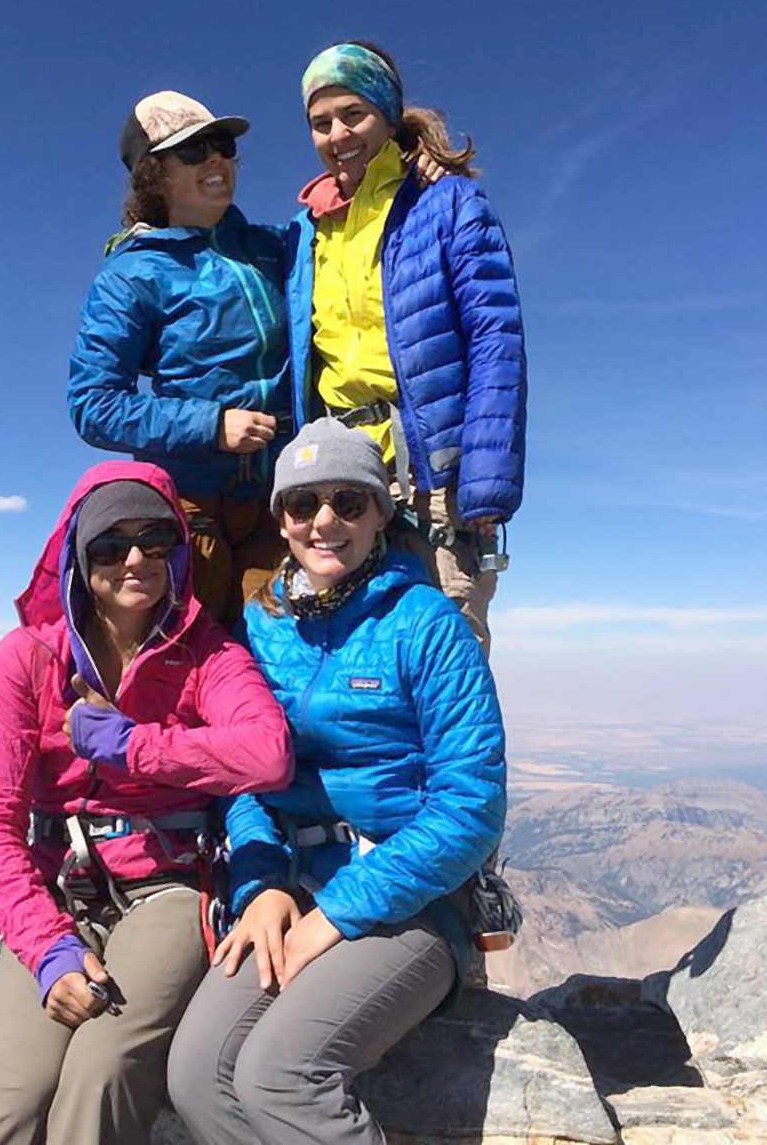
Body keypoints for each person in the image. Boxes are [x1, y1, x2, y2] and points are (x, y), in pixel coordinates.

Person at [167, 418, 506, 1144]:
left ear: (382, 512)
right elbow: (242, 776)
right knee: (196, 1075)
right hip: (290, 886)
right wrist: (259, 888)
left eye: (349, 502)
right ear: (279, 518)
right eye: (303, 503)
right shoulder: (260, 629)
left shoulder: (425, 625)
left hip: (409, 901)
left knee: (279, 1076)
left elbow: (470, 807)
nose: (324, 521)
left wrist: (340, 910)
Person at [0, 461, 291, 1145]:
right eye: (110, 545)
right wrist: (48, 950)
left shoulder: (206, 656)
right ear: (78, 558)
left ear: (180, 552)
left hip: (165, 885)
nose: (135, 560)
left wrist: (133, 747)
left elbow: (266, 754)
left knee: (102, 1071)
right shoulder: (28, 660)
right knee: (16, 1092)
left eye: (155, 540)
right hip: (53, 892)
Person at [286, 41, 528, 653]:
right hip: (340, 484)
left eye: (354, 115)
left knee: (446, 658)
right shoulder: (310, 231)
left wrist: (486, 482)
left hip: (431, 478)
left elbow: (495, 338)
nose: (338, 135)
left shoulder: (445, 204)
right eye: (321, 123)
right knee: (353, 665)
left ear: (389, 116)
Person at [68, 91, 292, 627]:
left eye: (221, 146)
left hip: (283, 501)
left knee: (286, 662)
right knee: (192, 664)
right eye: (192, 151)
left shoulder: (273, 247)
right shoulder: (130, 275)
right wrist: (212, 424)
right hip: (196, 511)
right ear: (155, 176)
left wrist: (411, 161)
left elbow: (346, 227)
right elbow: (92, 405)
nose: (216, 160)